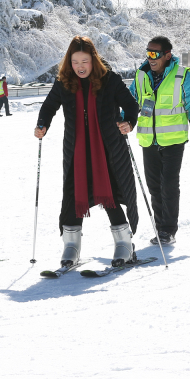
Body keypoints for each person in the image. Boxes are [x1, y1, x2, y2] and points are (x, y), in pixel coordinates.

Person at [35, 36, 140, 268]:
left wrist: (129, 122)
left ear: (93, 60)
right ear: (68, 62)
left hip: (108, 151)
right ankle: (71, 246)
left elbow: (131, 105)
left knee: (109, 193)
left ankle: (124, 243)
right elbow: (49, 106)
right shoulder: (64, 82)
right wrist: (42, 124)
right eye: (75, 62)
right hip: (77, 151)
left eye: (85, 61)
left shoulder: (109, 79)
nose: (80, 66)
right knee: (74, 196)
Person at [129, 36, 190, 246]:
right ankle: (161, 228)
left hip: (173, 141)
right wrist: (125, 120)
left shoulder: (183, 75)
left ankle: (168, 230)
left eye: (155, 54)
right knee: (154, 187)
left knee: (169, 185)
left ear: (167, 55)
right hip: (148, 140)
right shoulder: (141, 75)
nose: (150, 58)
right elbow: (131, 102)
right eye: (148, 53)